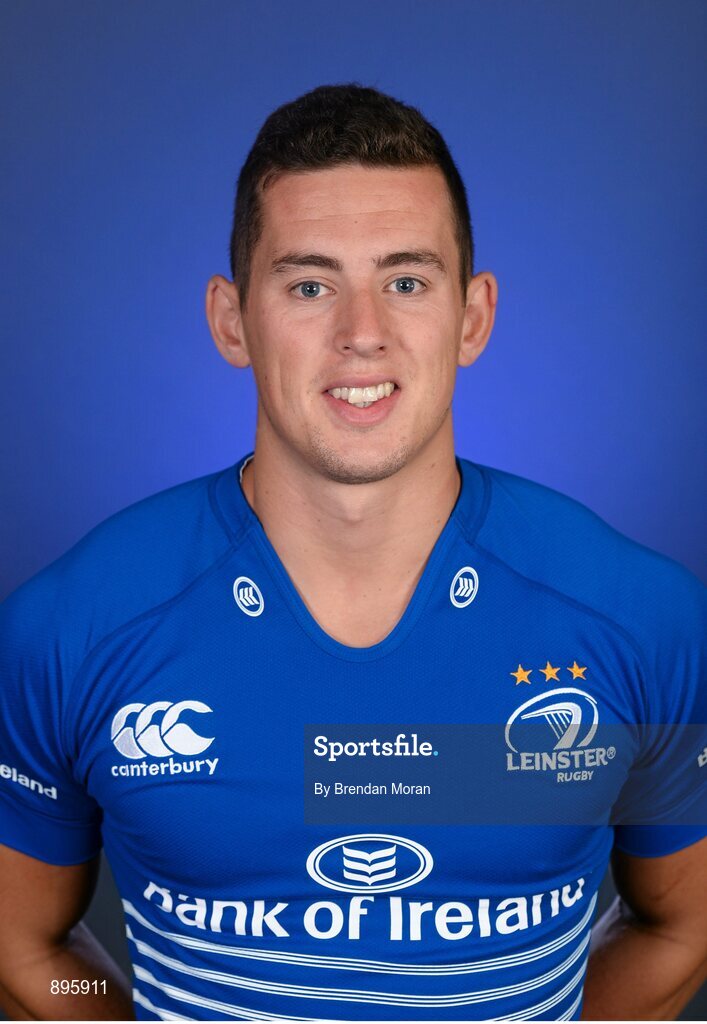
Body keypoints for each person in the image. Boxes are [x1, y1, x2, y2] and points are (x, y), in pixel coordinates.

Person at [0, 83, 705, 1023]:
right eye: (308, 283)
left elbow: (682, 925)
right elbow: (24, 941)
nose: (361, 332)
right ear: (230, 319)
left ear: (472, 316)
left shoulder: (641, 619)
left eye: (406, 280)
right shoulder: (69, 629)